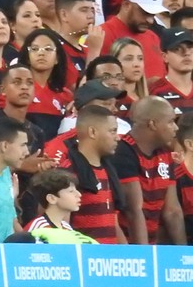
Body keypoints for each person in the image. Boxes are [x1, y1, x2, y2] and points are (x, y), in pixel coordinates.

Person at [111, 95, 185, 244]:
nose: (176, 127)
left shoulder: (165, 153)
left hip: (152, 245)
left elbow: (172, 211)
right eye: (171, 122)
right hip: (125, 248)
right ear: (153, 124)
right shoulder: (123, 153)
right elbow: (133, 211)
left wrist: (184, 252)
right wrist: (143, 254)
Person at [56, 104, 125, 243]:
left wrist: (125, 251)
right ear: (93, 132)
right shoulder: (68, 173)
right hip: (84, 254)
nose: (117, 137)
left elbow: (113, 222)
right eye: (112, 131)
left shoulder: (108, 170)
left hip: (109, 255)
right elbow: (62, 226)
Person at [149, 27, 193, 113]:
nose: (186, 53)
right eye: (177, 49)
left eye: (190, 48)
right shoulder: (156, 91)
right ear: (164, 57)